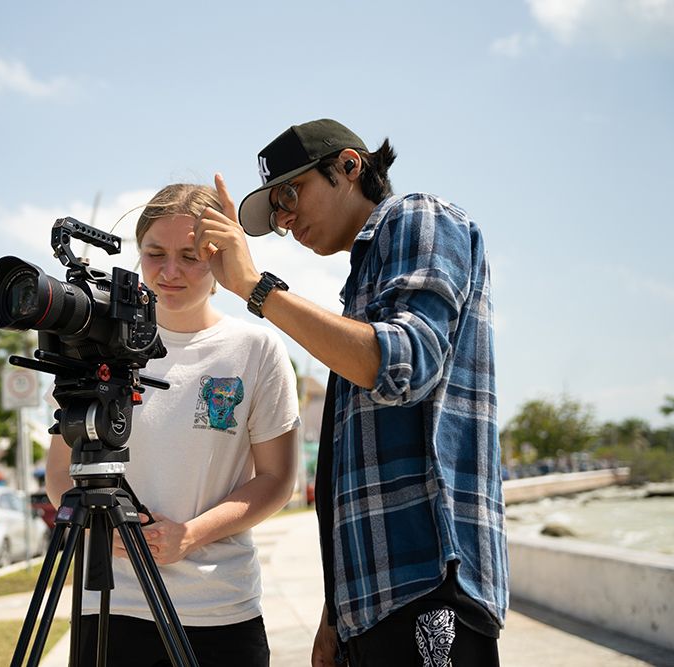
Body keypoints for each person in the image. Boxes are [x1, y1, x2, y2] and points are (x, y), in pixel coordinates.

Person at [192, 119, 508, 666]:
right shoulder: (359, 287)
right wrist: (334, 613)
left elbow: (402, 363)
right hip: (370, 607)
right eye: (275, 211)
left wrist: (254, 287)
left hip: (429, 587)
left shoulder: (419, 217)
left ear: (349, 166)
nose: (286, 220)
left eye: (291, 193)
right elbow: (348, 470)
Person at [45, 183, 302, 667]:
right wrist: (100, 529)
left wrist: (192, 534)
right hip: (111, 608)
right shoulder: (93, 345)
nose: (169, 271)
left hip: (220, 610)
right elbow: (61, 473)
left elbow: (276, 479)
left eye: (190, 255)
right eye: (155, 253)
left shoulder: (256, 349)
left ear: (219, 257)